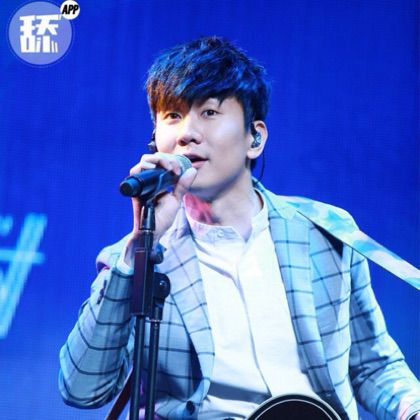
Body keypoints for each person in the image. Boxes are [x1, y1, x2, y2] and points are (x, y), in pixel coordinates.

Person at [59, 36, 420, 419]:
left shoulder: (325, 231)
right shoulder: (134, 260)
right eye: (173, 116)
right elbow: (83, 389)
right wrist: (139, 251)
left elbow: (373, 366)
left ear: (255, 137)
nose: (187, 133)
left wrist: (411, 407)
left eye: (209, 112)